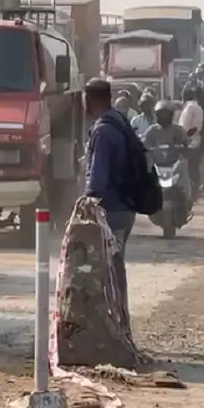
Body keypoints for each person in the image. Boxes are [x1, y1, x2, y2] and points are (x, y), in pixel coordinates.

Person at [84, 78, 140, 331]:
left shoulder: (103, 130)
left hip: (112, 210)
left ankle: (116, 327)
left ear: (92, 99)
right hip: (126, 208)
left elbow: (98, 176)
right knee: (115, 267)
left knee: (108, 269)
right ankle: (120, 324)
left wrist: (88, 202)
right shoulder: (120, 121)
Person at [178, 87, 204, 196]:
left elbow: (185, 127)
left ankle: (191, 193)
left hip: (189, 143)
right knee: (194, 168)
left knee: (188, 169)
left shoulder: (189, 108)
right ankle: (195, 191)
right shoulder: (198, 107)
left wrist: (182, 139)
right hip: (196, 141)